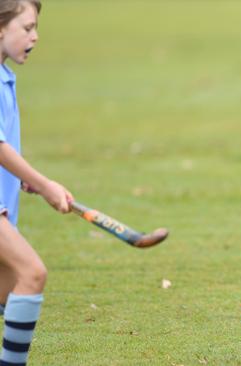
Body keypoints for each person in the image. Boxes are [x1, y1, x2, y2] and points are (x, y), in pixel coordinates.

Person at [0, 1, 74, 364]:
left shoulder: (4, 75)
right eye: (27, 27)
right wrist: (42, 183)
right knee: (31, 274)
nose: (35, 36)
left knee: (7, 290)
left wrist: (22, 177)